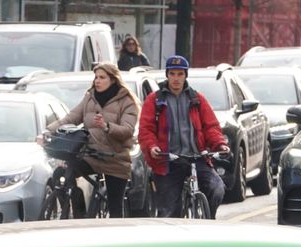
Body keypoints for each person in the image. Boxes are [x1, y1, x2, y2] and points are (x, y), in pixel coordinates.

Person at [40, 61, 139, 217]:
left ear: (113, 79)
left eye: (102, 77)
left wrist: (106, 126)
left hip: (115, 159)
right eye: (96, 77)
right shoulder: (89, 98)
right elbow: (71, 117)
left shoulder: (127, 102)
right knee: (61, 173)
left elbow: (127, 130)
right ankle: (78, 213)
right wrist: (47, 131)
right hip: (91, 155)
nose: (97, 81)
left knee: (115, 209)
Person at [138, 55, 229, 219]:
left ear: (186, 75)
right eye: (172, 74)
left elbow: (211, 127)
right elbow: (146, 130)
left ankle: (208, 220)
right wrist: (152, 147)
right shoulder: (155, 100)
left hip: (197, 158)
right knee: (169, 212)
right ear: (167, 75)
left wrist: (219, 145)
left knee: (217, 189)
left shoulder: (197, 99)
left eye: (180, 74)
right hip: (169, 161)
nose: (176, 78)